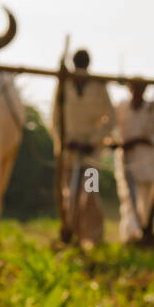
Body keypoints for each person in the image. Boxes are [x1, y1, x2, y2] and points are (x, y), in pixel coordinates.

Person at [51, 49, 115, 248]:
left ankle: (94, 238)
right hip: (68, 153)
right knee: (69, 194)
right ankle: (74, 235)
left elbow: (110, 119)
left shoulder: (98, 85)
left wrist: (93, 142)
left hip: (91, 155)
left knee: (90, 194)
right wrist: (64, 140)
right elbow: (55, 117)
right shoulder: (64, 84)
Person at [113, 79, 154, 242]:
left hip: (147, 159)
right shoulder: (120, 107)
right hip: (126, 158)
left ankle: (145, 230)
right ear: (129, 89)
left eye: (140, 88)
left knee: (147, 197)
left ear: (145, 90)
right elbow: (111, 129)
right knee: (128, 197)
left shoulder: (153, 109)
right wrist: (117, 142)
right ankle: (131, 236)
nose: (137, 91)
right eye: (134, 88)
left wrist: (138, 140)